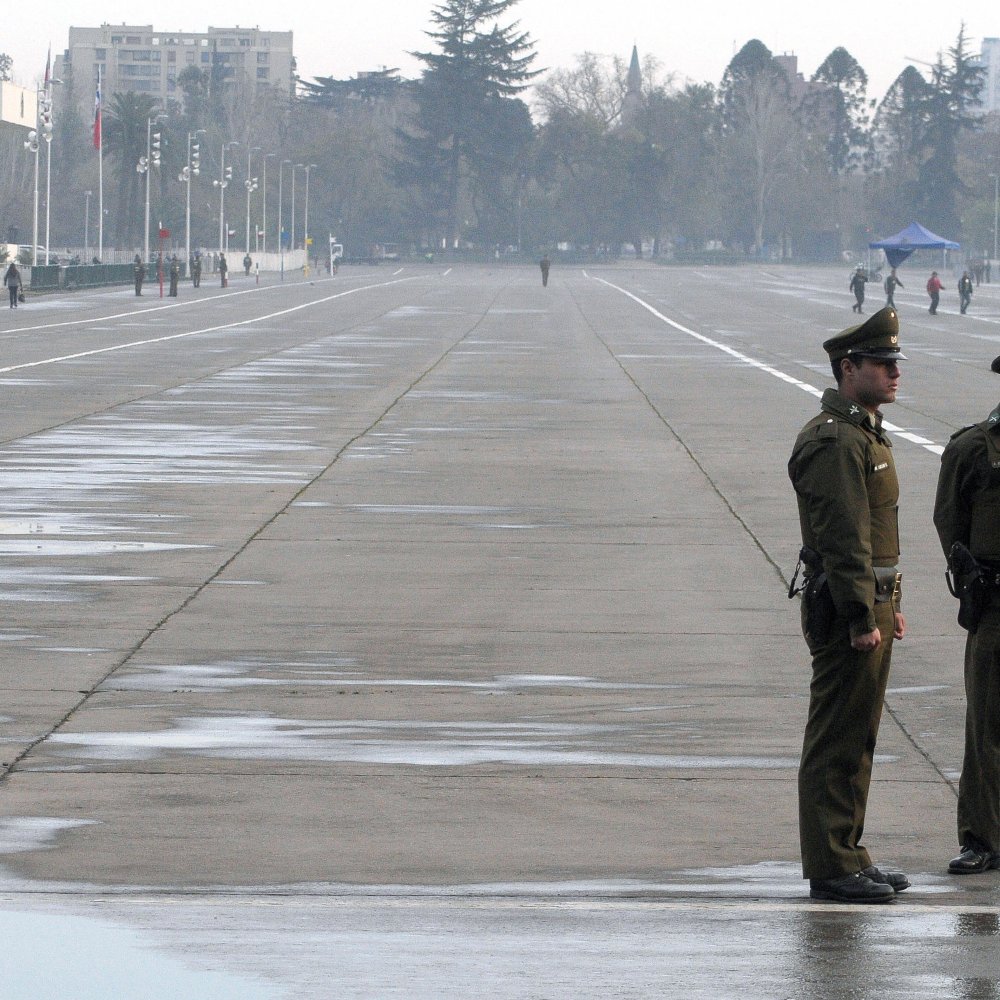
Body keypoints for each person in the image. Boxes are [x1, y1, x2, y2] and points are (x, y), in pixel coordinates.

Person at [788, 306, 909, 904]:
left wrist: (891, 603)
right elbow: (844, 538)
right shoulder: (835, 440)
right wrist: (863, 615)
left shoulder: (863, 432)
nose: (894, 374)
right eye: (881, 364)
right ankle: (831, 864)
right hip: (847, 610)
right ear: (847, 368)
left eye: (894, 364)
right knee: (836, 737)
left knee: (859, 735)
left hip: (870, 605)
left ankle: (849, 851)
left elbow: (879, 536)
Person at [933, 354, 1000, 874]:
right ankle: (981, 837)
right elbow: (949, 522)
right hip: (995, 605)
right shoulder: (973, 448)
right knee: (987, 725)